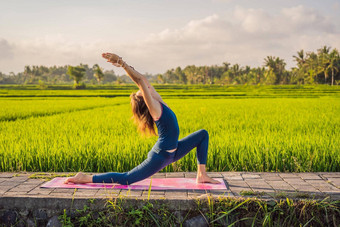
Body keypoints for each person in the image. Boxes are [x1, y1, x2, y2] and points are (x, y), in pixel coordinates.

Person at [64, 53, 219, 185]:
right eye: (141, 91)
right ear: (145, 99)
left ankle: (201, 174)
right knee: (126, 179)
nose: (144, 87)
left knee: (202, 134)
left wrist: (126, 65)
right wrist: (121, 63)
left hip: (174, 151)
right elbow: (140, 81)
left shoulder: (159, 101)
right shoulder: (155, 109)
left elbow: (142, 79)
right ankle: (85, 178)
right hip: (161, 155)